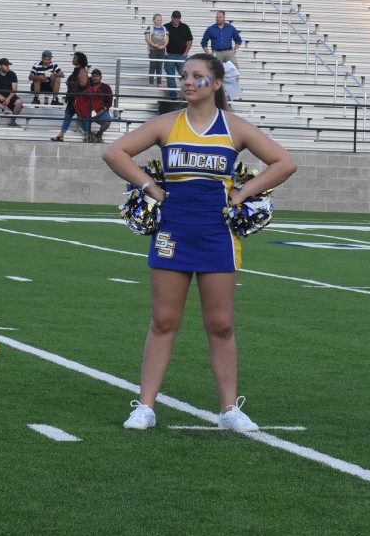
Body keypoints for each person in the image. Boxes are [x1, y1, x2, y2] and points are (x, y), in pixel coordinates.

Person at [102, 53, 297, 433]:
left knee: (221, 324)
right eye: (184, 75)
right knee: (164, 320)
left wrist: (243, 193)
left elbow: (284, 163)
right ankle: (145, 406)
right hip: (172, 232)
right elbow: (114, 152)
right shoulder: (166, 124)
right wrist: (151, 188)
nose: (187, 81)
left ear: (216, 83)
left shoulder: (234, 128)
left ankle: (228, 409)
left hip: (216, 236)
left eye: (197, 76)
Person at [49, 52, 90, 142]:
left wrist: (69, 83)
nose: (73, 59)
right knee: (68, 115)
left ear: (79, 60)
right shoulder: (77, 70)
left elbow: (83, 83)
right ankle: (61, 135)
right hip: (73, 98)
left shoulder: (82, 70)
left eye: (75, 58)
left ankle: (87, 136)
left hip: (79, 99)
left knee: (83, 117)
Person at [74, 69, 115, 143]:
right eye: (93, 76)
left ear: (101, 77)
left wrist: (100, 112)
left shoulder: (106, 87)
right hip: (88, 111)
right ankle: (91, 134)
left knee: (108, 120)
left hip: (100, 111)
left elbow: (109, 103)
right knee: (79, 119)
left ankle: (99, 134)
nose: (95, 78)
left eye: (97, 76)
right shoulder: (87, 85)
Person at [163, 10, 194, 98]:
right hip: (169, 55)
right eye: (175, 18)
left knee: (184, 75)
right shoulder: (165, 27)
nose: (177, 20)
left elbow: (190, 40)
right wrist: (165, 52)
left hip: (181, 55)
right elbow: (161, 39)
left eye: (178, 18)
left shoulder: (185, 27)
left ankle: (185, 94)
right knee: (170, 75)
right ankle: (172, 94)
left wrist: (186, 52)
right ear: (172, 18)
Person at [0, 57, 23, 127]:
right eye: (6, 65)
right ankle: (4, 108)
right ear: (0, 66)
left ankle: (12, 121)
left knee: (19, 102)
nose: (8, 67)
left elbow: (14, 90)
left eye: (8, 65)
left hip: (9, 96)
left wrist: (8, 98)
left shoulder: (12, 74)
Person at [145, 13, 169, 87]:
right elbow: (147, 39)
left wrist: (164, 46)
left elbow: (167, 39)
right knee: (152, 65)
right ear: (154, 20)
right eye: (157, 20)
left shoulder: (164, 28)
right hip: (152, 50)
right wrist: (154, 45)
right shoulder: (150, 28)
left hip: (161, 49)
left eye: (160, 20)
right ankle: (151, 82)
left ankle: (159, 82)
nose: (159, 22)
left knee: (159, 66)